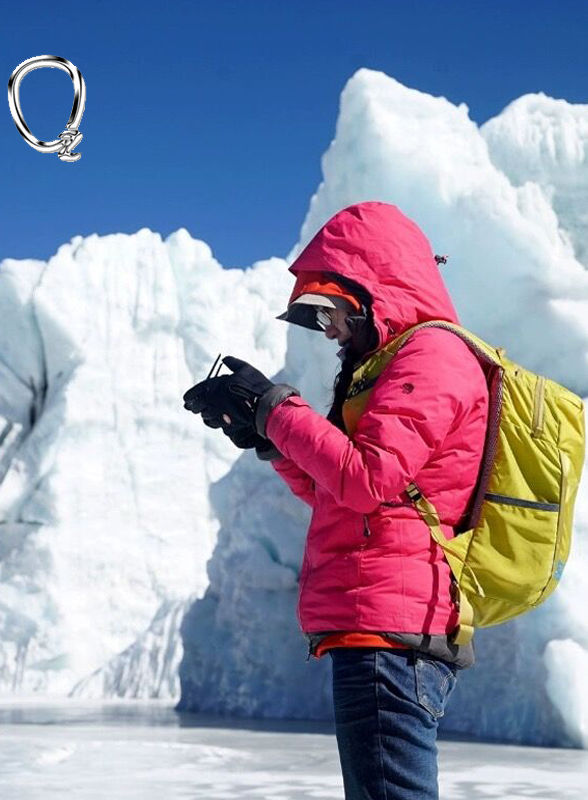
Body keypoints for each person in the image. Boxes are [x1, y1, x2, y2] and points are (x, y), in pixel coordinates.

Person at [183, 201, 489, 800]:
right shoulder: (392, 365)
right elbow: (338, 492)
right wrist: (263, 437)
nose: (326, 329)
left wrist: (276, 408)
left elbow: (365, 478)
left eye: (328, 310)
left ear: (370, 290)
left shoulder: (431, 356)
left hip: (389, 629)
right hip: (378, 628)